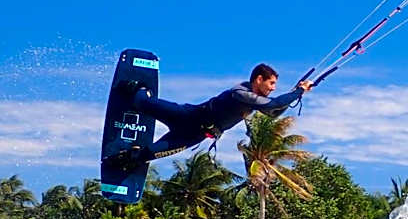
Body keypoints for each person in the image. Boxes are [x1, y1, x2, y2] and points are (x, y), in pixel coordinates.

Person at [112, 63, 313, 167]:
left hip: (193, 135)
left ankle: (123, 159)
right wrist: (298, 92)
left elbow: (273, 113)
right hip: (188, 116)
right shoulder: (242, 93)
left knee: (146, 155)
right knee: (141, 102)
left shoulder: (253, 99)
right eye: (271, 83)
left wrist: (296, 91)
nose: (273, 88)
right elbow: (275, 104)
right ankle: (132, 87)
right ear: (259, 79)